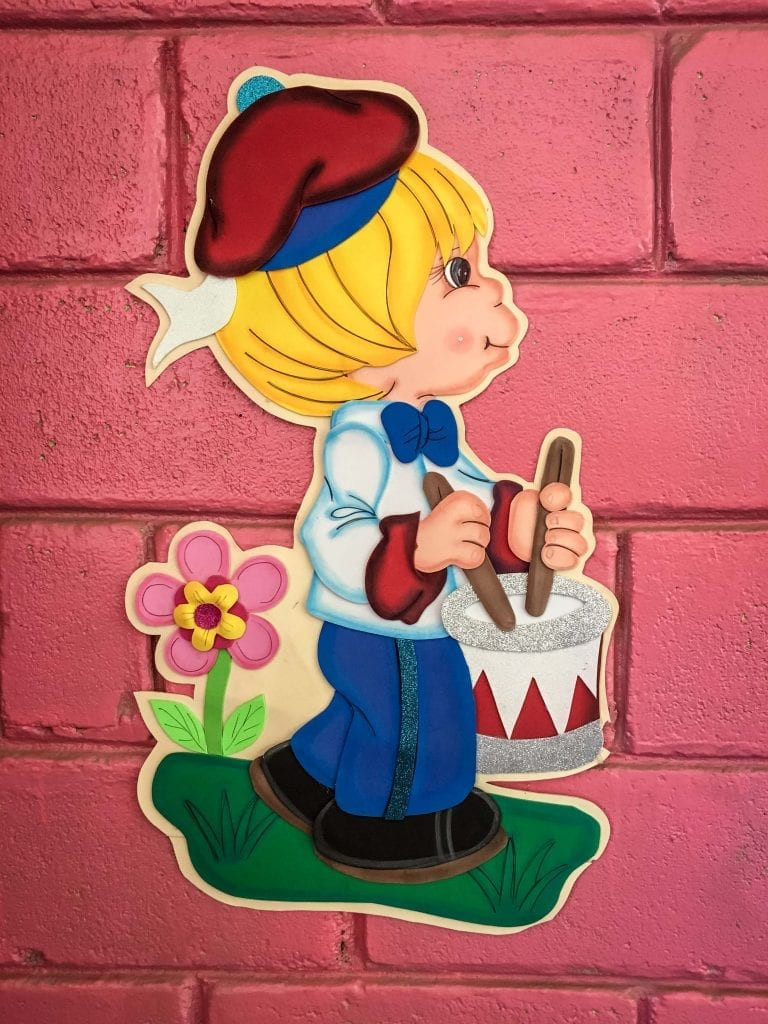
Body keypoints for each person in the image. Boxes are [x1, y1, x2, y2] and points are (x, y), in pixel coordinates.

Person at [143, 71, 590, 883]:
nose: (492, 286)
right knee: (424, 721)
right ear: (354, 329)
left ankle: (304, 776)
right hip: (388, 629)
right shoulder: (358, 438)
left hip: (398, 625)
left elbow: (469, 490)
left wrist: (518, 523)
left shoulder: (430, 428)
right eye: (457, 273)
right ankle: (393, 827)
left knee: (364, 716)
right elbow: (334, 530)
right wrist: (415, 549)